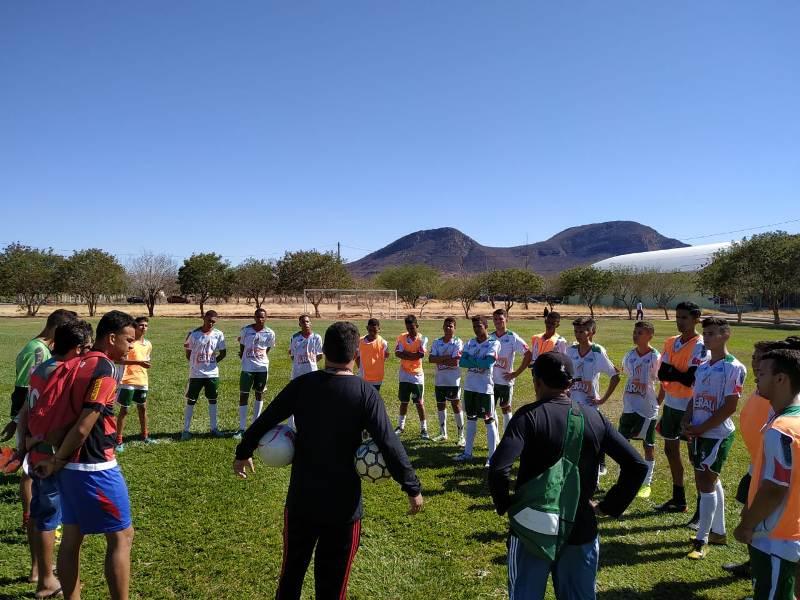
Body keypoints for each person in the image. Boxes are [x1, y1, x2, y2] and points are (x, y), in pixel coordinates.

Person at [233, 321, 423, 600]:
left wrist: (244, 451)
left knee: (291, 575)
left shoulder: (302, 385)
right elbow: (388, 442)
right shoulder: (365, 393)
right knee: (333, 586)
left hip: (302, 501)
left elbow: (267, 419)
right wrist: (412, 486)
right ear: (355, 354)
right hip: (343, 508)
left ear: (323, 350)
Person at [489, 352, 647, 599]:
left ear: (536, 381)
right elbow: (637, 465)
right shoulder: (595, 417)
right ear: (570, 384)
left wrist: (506, 505)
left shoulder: (527, 416)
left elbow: (499, 468)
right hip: (580, 525)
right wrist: (608, 506)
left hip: (532, 528)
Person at [34, 310, 137, 600]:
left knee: (71, 539)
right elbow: (83, 426)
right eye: (128, 340)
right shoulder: (104, 370)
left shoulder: (80, 361)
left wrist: (58, 460)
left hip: (69, 467)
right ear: (112, 337)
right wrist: (57, 461)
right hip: (94, 467)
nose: (131, 346)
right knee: (122, 537)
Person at [0, 308, 77, 584]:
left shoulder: (34, 347)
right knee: (33, 486)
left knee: (36, 491)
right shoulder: (41, 354)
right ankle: (41, 568)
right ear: (59, 330)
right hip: (39, 437)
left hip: (32, 433)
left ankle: (38, 564)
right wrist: (19, 428)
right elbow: (26, 392)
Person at [724, 339, 797, 579]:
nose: (756, 377)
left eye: (762, 373)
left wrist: (747, 524)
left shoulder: (781, 429)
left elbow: (775, 487)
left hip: (776, 537)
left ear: (780, 379)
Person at [682, 317, 746, 559]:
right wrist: (686, 420)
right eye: (705, 333)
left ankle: (702, 540)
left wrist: (703, 428)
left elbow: (730, 407)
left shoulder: (734, 367)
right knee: (710, 480)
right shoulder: (704, 365)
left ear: (725, 334)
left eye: (712, 333)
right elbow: (694, 397)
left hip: (716, 434)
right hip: (698, 432)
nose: (706, 338)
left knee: (705, 484)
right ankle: (717, 531)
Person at [655, 301, 709, 522]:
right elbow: (662, 374)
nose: (679, 322)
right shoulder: (671, 342)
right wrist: (679, 374)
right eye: (677, 317)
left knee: (694, 458)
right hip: (671, 404)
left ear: (696, 318)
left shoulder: (701, 345)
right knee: (670, 450)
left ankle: (701, 508)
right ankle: (679, 498)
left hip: (690, 407)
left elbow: (691, 379)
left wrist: (674, 373)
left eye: (684, 318)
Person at [565, 317, 620, 476]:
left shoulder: (597, 351)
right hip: (572, 402)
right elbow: (566, 374)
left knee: (592, 438)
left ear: (591, 332)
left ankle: (598, 466)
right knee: (573, 436)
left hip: (590, 404)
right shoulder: (571, 350)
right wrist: (566, 389)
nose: (578, 334)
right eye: (576, 331)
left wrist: (602, 399)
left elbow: (615, 376)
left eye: (582, 331)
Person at [618, 321, 661, 499]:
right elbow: (627, 373)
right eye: (635, 332)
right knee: (621, 443)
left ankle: (646, 483)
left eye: (640, 333)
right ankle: (625, 479)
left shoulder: (655, 357)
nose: (635, 335)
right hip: (629, 406)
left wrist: (657, 402)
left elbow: (663, 382)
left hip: (647, 408)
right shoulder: (629, 355)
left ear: (650, 335)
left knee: (648, 445)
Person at [455, 316, 501, 467]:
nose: (476, 329)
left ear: (486, 326)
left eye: (479, 326)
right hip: (470, 387)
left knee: (489, 421)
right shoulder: (470, 342)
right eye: (474, 326)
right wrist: (478, 362)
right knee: (471, 419)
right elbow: (462, 362)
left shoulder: (494, 343)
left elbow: (488, 363)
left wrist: (472, 361)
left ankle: (492, 457)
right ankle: (468, 453)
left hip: (485, 389)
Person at [181, 310, 227, 440]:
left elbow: (223, 353)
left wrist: (211, 363)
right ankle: (186, 430)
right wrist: (197, 364)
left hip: (212, 374)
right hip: (196, 374)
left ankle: (214, 428)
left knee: (213, 400)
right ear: (204, 318)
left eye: (213, 321)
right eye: (209, 320)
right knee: (191, 401)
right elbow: (188, 354)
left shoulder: (219, 334)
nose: (211, 323)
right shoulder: (194, 334)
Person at [235, 308, 276, 440]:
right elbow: (242, 346)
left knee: (259, 394)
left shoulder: (270, 333)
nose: (260, 319)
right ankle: (242, 428)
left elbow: (267, 348)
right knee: (243, 395)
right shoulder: (246, 330)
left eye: (262, 317)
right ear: (254, 317)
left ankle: (255, 425)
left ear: (266, 318)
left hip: (262, 368)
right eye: (257, 317)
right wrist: (245, 356)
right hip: (247, 367)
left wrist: (260, 358)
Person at [490, 309, 532, 434]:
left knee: (505, 408)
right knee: (490, 409)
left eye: (501, 319)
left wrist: (516, 373)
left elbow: (528, 354)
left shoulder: (512, 337)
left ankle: (506, 437)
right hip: (490, 381)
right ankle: (495, 437)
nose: (498, 321)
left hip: (505, 381)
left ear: (506, 320)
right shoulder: (490, 337)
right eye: (495, 319)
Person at [115, 316, 153, 450]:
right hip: (127, 380)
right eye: (141, 325)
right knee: (124, 410)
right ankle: (119, 440)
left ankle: (145, 436)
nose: (144, 328)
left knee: (142, 408)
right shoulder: (129, 343)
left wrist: (145, 364)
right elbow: (119, 360)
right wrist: (139, 363)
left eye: (146, 325)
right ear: (135, 327)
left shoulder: (148, 344)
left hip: (142, 380)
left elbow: (146, 360)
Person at [429, 317, 465, 444]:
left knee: (456, 405)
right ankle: (443, 433)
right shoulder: (437, 342)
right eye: (446, 326)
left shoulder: (458, 342)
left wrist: (440, 358)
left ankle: (461, 435)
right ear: (443, 327)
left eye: (451, 326)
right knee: (440, 405)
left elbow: (455, 362)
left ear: (454, 328)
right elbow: (431, 359)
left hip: (453, 381)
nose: (448, 328)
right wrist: (447, 357)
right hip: (440, 380)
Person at [394, 315, 430, 439]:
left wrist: (407, 354)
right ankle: (400, 426)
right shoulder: (401, 337)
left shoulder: (423, 339)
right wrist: (410, 355)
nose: (410, 331)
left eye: (412, 328)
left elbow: (419, 355)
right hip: (404, 374)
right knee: (404, 401)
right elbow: (397, 353)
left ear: (417, 326)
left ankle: (424, 429)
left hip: (416, 375)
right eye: (408, 328)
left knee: (419, 403)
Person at [288, 314, 323, 429]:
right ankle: (291, 426)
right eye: (303, 322)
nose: (306, 324)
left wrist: (310, 363)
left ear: (311, 323)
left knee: (312, 399)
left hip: (312, 372)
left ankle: (312, 423)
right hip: (297, 373)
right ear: (299, 324)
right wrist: (300, 364)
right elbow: (293, 356)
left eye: (308, 321)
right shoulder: (294, 337)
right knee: (294, 399)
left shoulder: (316, 337)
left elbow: (319, 355)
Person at [354, 318, 390, 391]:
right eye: (370, 330)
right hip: (363, 377)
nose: (372, 333)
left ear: (379, 329)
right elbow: (357, 357)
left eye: (375, 331)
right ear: (367, 328)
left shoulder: (383, 343)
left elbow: (386, 355)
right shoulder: (360, 341)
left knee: (373, 398)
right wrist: (361, 368)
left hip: (376, 378)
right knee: (363, 398)